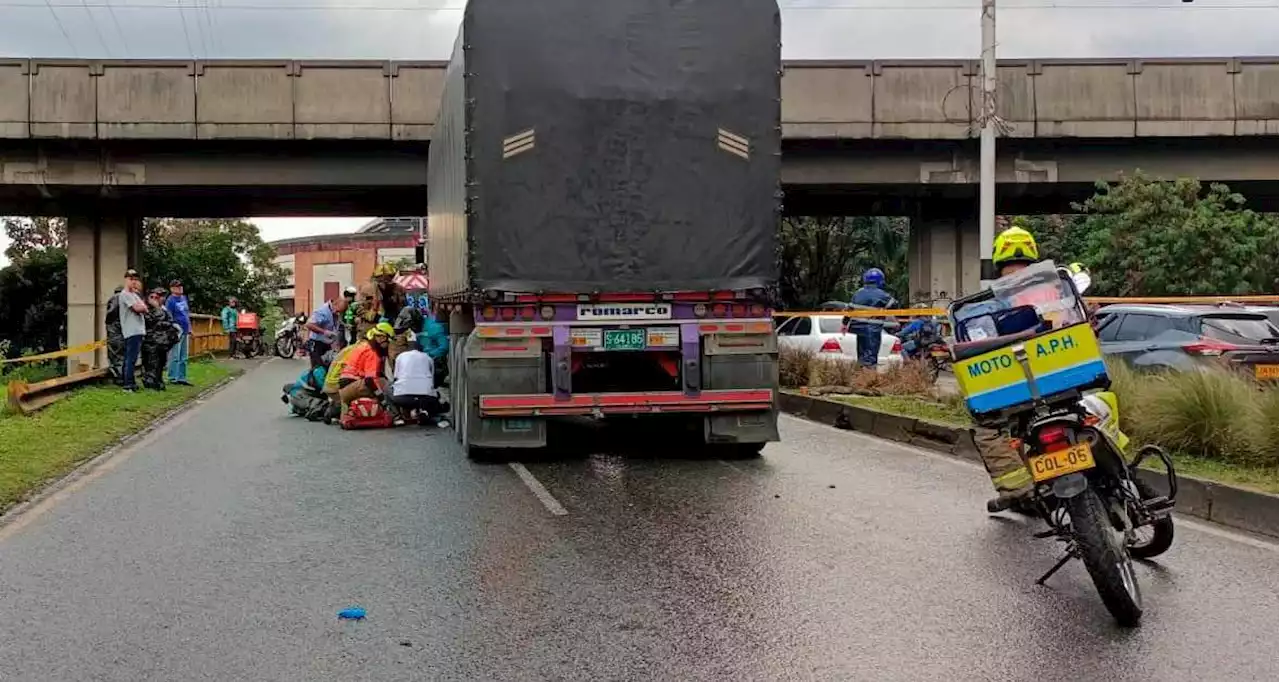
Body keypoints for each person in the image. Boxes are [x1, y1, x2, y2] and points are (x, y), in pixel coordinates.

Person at [973, 225, 1050, 512]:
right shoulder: (1054, 288)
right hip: (1062, 376)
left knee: (987, 427)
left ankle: (1019, 490)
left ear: (998, 258)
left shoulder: (988, 302)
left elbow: (979, 341)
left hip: (1016, 384)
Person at [388, 335, 450, 425]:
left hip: (402, 399)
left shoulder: (400, 357)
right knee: (433, 392)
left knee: (387, 388)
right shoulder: (428, 357)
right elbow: (431, 379)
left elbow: (396, 377)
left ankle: (397, 416)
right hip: (426, 398)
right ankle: (427, 413)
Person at [337, 322, 394, 416]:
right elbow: (369, 380)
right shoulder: (372, 353)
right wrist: (382, 399)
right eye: (388, 342)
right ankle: (394, 414)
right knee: (383, 383)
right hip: (351, 386)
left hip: (346, 386)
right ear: (382, 338)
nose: (388, 346)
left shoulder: (364, 346)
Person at [846, 268, 897, 368]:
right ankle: (869, 378)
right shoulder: (882, 294)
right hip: (872, 329)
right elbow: (894, 304)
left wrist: (844, 323)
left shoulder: (857, 293)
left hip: (858, 328)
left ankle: (860, 377)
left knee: (861, 354)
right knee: (871, 355)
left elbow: (849, 310)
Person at [142, 287, 181, 391]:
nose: (156, 299)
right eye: (153, 297)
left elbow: (170, 321)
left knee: (161, 362)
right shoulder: (146, 308)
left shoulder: (163, 308)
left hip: (163, 341)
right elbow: (152, 321)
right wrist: (157, 310)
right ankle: (151, 384)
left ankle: (159, 382)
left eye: (158, 297)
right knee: (151, 363)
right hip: (150, 340)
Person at [116, 270, 148, 392]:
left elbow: (144, 307)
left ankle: (128, 381)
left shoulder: (135, 295)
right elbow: (138, 308)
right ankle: (128, 384)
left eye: (135, 279)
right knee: (131, 358)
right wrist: (142, 307)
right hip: (131, 330)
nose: (134, 281)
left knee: (132, 358)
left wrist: (142, 306)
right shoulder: (125, 294)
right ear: (126, 280)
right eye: (131, 279)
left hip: (138, 330)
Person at [304, 295, 349, 368]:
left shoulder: (334, 312)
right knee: (317, 369)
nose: (338, 314)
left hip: (326, 344)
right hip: (316, 344)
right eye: (338, 311)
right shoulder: (322, 311)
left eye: (340, 313)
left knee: (327, 367)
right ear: (335, 304)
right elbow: (309, 324)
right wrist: (324, 332)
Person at [164, 279, 193, 386]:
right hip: (176, 330)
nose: (180, 288)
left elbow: (186, 313)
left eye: (181, 286)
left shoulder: (184, 298)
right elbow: (168, 315)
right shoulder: (170, 301)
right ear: (172, 289)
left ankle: (182, 377)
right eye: (177, 286)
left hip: (185, 329)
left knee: (183, 356)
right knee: (175, 355)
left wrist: (189, 327)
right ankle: (172, 377)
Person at [105, 285, 125, 384]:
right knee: (121, 355)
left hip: (114, 331)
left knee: (115, 355)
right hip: (119, 331)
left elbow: (110, 316)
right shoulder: (121, 298)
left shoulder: (114, 299)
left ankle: (119, 377)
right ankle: (122, 377)